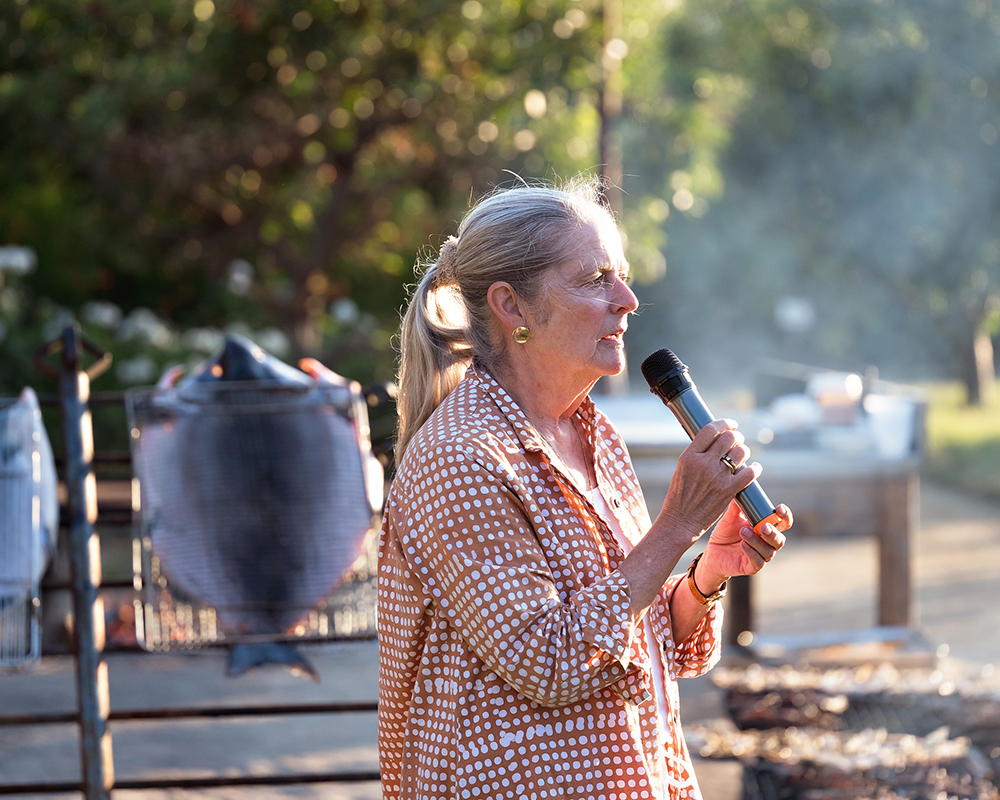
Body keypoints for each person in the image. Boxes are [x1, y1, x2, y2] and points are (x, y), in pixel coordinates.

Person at [377, 177, 792, 800]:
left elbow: (635, 643)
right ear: (512, 307)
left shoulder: (593, 434)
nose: (626, 299)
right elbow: (550, 661)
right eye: (595, 279)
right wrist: (676, 525)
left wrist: (704, 574)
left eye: (620, 276)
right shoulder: (460, 458)